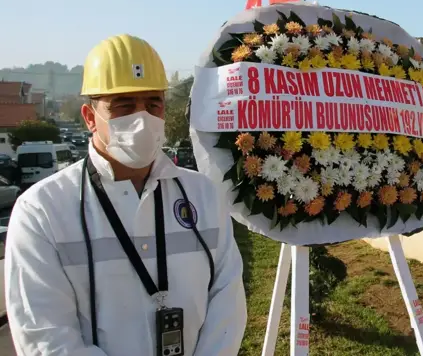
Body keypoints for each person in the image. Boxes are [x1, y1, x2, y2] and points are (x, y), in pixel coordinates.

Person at [5, 34, 247, 355]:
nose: (142, 118)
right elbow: (45, 336)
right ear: (91, 117)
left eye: (152, 103)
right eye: (123, 105)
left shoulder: (202, 195)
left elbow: (227, 300)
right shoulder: (42, 212)